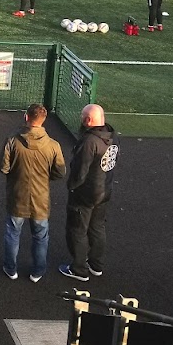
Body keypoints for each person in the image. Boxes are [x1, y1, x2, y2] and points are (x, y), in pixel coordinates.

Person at [0, 103, 66, 282]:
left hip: (17, 195)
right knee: (41, 236)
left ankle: (10, 268)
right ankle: (38, 271)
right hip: (41, 199)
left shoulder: (12, 140)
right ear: (43, 121)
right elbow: (59, 172)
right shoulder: (53, 145)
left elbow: (3, 167)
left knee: (13, 232)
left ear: (26, 117)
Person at [60, 104, 118, 283]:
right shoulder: (111, 137)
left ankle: (78, 269)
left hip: (85, 194)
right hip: (104, 191)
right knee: (97, 227)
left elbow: (80, 170)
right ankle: (96, 264)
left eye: (82, 117)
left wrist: (72, 186)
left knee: (77, 229)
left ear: (88, 120)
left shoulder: (89, 142)